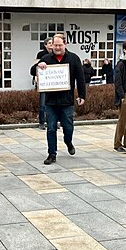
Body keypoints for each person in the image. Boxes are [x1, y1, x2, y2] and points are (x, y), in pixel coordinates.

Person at [34, 34, 86, 165]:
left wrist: (82, 95)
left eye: (59, 45)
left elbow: (80, 78)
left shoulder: (73, 58)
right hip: (51, 101)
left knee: (68, 127)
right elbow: (32, 70)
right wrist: (40, 65)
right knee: (51, 128)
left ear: (65, 44)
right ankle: (52, 154)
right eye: (54, 45)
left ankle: (68, 141)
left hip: (67, 101)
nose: (57, 48)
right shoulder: (46, 58)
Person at [31, 37, 53, 130]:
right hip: (44, 83)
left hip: (53, 83)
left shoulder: (56, 54)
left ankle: (52, 122)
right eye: (50, 43)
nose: (52, 45)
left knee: (53, 104)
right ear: (45, 45)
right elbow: (34, 69)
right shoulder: (41, 54)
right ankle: (41, 122)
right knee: (43, 104)